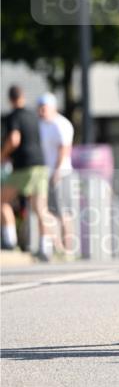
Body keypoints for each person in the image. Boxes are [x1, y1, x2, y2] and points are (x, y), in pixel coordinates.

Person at [1, 86, 53, 260]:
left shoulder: (13, 117)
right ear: (23, 96)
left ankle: (9, 240)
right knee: (40, 208)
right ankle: (46, 247)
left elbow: (14, 139)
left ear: (10, 99)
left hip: (23, 167)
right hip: (40, 165)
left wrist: (2, 154)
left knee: (2, 200)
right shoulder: (34, 116)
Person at [37, 92, 75, 258]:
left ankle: (68, 249)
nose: (41, 112)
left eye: (44, 108)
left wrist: (58, 171)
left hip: (61, 173)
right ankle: (57, 248)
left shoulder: (62, 124)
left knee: (64, 212)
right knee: (49, 212)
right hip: (45, 173)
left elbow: (64, 149)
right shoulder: (41, 125)